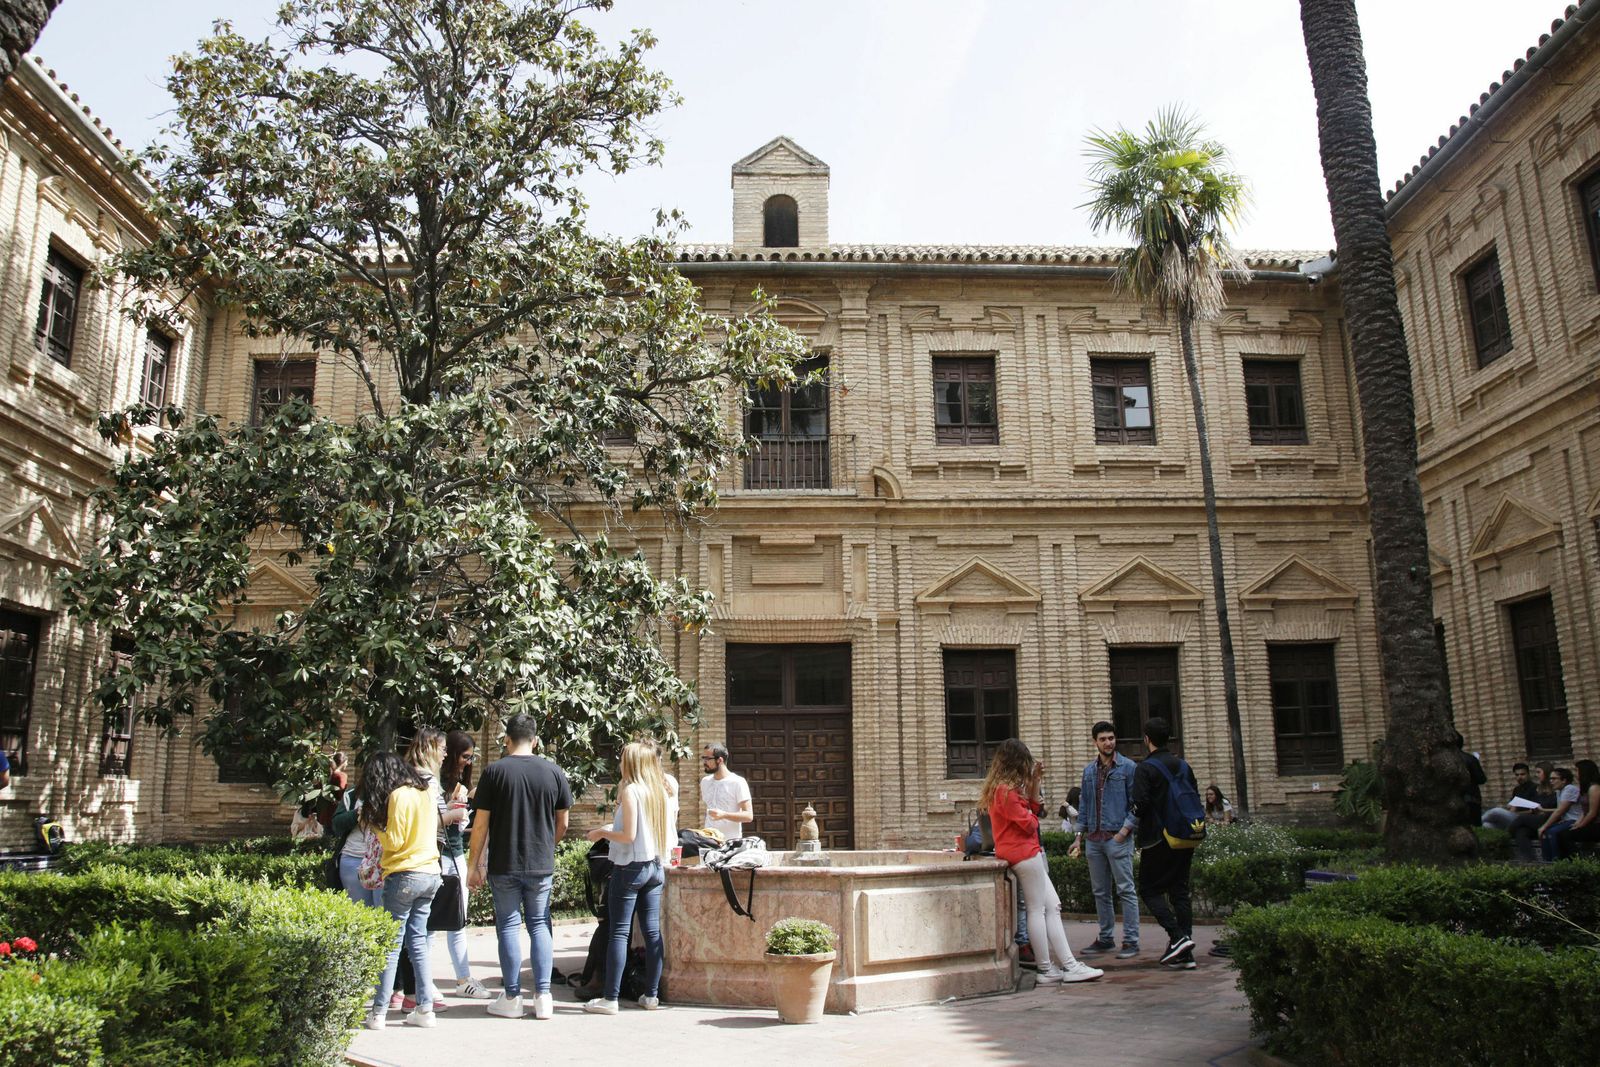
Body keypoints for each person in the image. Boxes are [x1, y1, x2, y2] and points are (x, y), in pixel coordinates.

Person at [468, 713, 573, 1022]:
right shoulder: (553, 772)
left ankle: (512, 997)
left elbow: (480, 825)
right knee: (539, 924)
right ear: (535, 740)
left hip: (504, 862)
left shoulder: (494, 772)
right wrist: (546, 846)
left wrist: (474, 864)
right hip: (540, 863)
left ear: (506, 740)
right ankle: (544, 996)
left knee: (508, 926)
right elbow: (563, 822)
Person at [984, 737, 1103, 985]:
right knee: (1038, 909)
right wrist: (1030, 811)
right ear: (1016, 762)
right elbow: (1031, 823)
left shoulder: (1003, 789)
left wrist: (1035, 782)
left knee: (1052, 906)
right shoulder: (1006, 792)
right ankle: (1053, 967)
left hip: (1023, 853)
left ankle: (1060, 966)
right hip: (1024, 853)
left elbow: (1035, 809)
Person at [583, 742, 670, 1015]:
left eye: (623, 759)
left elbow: (628, 836)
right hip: (655, 866)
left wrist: (600, 833)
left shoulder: (633, 791)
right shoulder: (659, 791)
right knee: (652, 932)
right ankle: (651, 996)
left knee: (619, 932)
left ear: (631, 763)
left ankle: (610, 998)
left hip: (630, 866)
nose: (619, 762)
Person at [361, 751, 442, 1030]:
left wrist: (374, 826)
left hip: (404, 874)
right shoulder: (426, 792)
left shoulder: (398, 796)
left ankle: (378, 1013)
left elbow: (394, 842)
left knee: (392, 945)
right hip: (430, 873)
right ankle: (425, 1009)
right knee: (418, 943)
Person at [394, 728, 464, 1012]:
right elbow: (428, 821)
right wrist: (454, 814)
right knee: (417, 933)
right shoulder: (427, 780)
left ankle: (400, 992)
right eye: (442, 748)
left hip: (405, 859)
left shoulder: (406, 775)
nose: (445, 754)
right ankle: (416, 996)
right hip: (423, 858)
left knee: (404, 932)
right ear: (430, 749)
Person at [1131, 717, 1200, 971]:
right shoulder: (1183, 765)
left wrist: (1132, 814)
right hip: (1185, 835)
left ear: (1147, 739)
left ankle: (1177, 937)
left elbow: (1140, 804)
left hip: (1158, 838)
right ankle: (1185, 953)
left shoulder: (1145, 768)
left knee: (1149, 890)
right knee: (1179, 890)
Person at [1069, 721, 1140, 961]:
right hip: (1094, 839)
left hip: (1116, 837)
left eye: (1111, 738)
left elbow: (1137, 804)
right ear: (1095, 742)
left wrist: (1124, 831)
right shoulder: (1089, 771)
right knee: (1100, 892)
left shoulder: (1128, 767)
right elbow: (1084, 805)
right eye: (1103, 739)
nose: (1108, 743)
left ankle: (1131, 940)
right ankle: (1106, 938)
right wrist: (1079, 837)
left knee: (1126, 890)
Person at [441, 730, 491, 997]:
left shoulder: (463, 784)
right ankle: (419, 984)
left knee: (458, 918)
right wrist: (450, 810)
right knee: (430, 920)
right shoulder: (434, 784)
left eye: (471, 757)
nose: (468, 762)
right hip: (438, 854)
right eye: (464, 756)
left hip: (457, 853)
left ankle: (463, 978)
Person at [1515, 766, 1580, 863]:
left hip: (1574, 820)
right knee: (1535, 832)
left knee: (1551, 832)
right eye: (1550, 779)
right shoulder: (1559, 791)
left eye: (1554, 779)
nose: (1551, 781)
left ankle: (1556, 861)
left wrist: (1544, 826)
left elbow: (1560, 810)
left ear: (1564, 780)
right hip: (1564, 820)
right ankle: (1547, 861)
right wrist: (1543, 810)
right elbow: (1559, 809)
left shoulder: (1569, 789)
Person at [699, 743, 752, 841]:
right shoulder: (705, 782)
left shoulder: (738, 782)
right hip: (708, 841)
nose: (704, 762)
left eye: (707, 759)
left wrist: (724, 815)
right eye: (703, 758)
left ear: (719, 760)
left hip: (730, 842)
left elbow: (748, 816)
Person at [1552, 760, 1600, 860]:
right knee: (1562, 833)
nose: (1575, 774)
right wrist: (1577, 823)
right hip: (1589, 823)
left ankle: (1576, 860)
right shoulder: (1585, 788)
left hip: (1596, 824)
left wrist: (1580, 825)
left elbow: (1592, 813)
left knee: (1565, 835)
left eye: (1577, 771)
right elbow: (1584, 811)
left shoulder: (1594, 788)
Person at [1480, 762, 1539, 831]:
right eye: (1517, 775)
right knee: (1486, 825)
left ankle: (1475, 824)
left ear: (1528, 774)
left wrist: (1515, 813)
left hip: (1525, 819)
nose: (1519, 777)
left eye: (1522, 774)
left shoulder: (1535, 788)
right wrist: (1510, 811)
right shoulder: (1517, 789)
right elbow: (1512, 807)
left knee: (1496, 811)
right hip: (1514, 818)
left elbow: (1535, 810)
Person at [1456, 733, 1488, 827]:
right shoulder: (1471, 759)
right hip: (1471, 799)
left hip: (1453, 801)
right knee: (1475, 828)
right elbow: (1481, 779)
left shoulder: (1444, 761)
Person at [318, 751, 349, 830]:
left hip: (324, 812)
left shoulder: (326, 775)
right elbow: (342, 795)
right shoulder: (341, 776)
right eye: (346, 762)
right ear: (343, 762)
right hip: (335, 812)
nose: (347, 764)